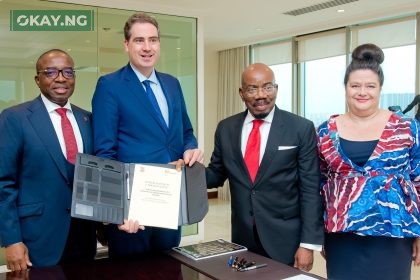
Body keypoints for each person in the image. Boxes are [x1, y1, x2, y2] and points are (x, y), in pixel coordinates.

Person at [91, 12, 203, 258]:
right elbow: (105, 153)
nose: (147, 47)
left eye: (153, 40)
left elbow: (186, 132)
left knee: (169, 268)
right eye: (139, 40)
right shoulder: (110, 85)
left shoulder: (172, 84)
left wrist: (190, 148)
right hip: (133, 210)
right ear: (126, 45)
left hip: (171, 201)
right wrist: (118, 210)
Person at [205, 63, 324, 271]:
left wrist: (307, 244)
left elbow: (310, 190)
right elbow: (215, 175)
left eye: (268, 87)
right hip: (242, 239)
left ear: (276, 89)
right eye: (252, 89)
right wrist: (183, 171)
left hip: (285, 240)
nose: (261, 95)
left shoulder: (300, 128)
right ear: (241, 93)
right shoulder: (226, 128)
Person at [317, 43, 420, 280]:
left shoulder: (406, 128)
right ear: (345, 88)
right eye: (355, 85)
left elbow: (418, 180)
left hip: (394, 233)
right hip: (341, 235)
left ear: (380, 88)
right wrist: (316, 234)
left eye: (370, 86)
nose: (362, 92)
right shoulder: (325, 131)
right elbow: (318, 184)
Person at [0, 49, 97, 270]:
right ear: (38, 79)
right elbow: (3, 183)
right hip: (38, 237)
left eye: (68, 72)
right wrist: (11, 239)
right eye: (50, 72)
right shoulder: (15, 118)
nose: (61, 78)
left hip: (84, 236)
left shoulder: (88, 119)